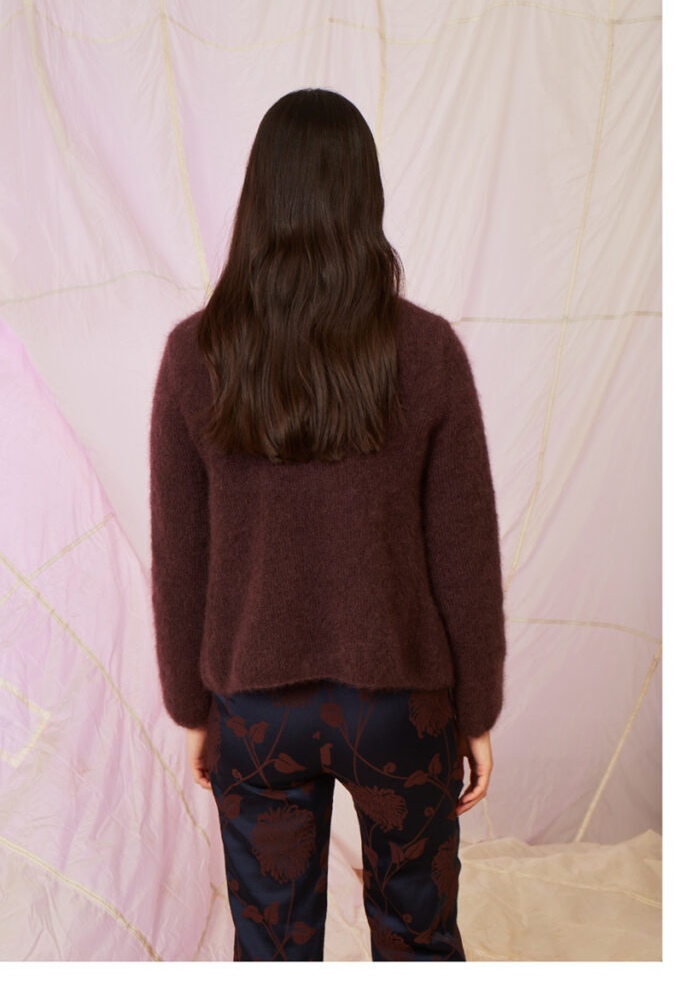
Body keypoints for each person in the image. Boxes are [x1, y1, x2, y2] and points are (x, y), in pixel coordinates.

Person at [149, 88, 506, 962]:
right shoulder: (427, 351)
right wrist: (476, 710)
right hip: (399, 708)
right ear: (364, 200)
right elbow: (463, 550)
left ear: (258, 198)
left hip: (256, 710)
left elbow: (180, 555)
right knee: (418, 936)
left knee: (272, 950)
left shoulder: (196, 355)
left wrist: (192, 706)